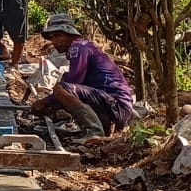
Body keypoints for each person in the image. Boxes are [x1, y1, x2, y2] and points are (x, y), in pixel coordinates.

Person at [30, 13, 135, 141]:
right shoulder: (84, 47)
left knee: (61, 88)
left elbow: (74, 82)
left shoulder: (78, 47)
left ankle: (94, 132)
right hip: (115, 107)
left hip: (115, 105)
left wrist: (44, 102)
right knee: (64, 82)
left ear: (69, 33)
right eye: (52, 38)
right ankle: (94, 127)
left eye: (57, 35)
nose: (54, 41)